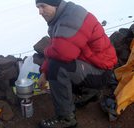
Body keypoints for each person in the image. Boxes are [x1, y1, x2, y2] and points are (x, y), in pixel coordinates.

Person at [35, 0, 117, 128]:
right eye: (38, 8)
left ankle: (66, 119)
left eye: (42, 6)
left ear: (54, 4)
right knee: (55, 67)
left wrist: (47, 71)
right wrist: (44, 72)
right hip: (91, 66)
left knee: (57, 68)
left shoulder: (72, 17)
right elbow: (56, 48)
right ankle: (89, 93)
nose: (40, 12)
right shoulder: (61, 17)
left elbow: (62, 53)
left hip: (101, 72)